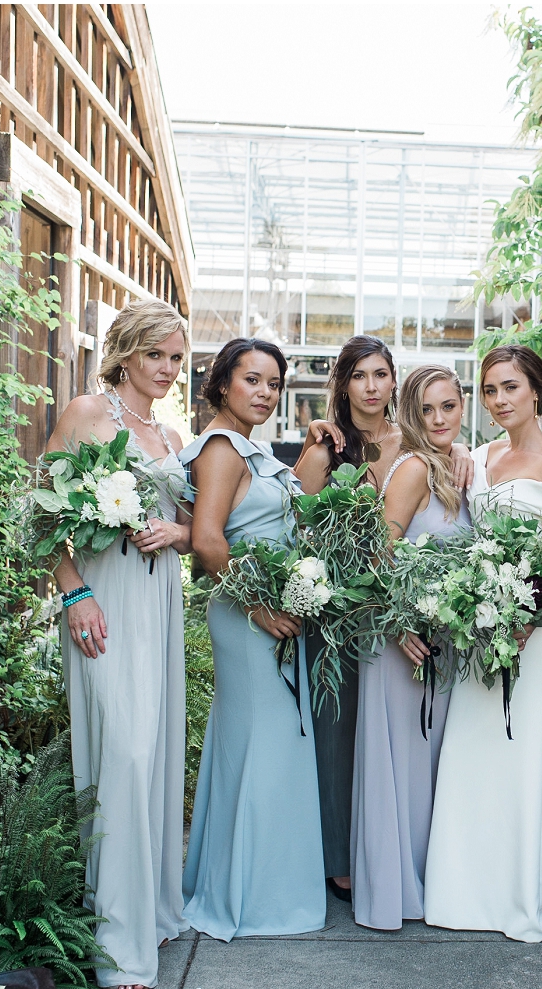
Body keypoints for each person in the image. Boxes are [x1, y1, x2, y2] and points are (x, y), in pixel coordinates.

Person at [291, 335, 474, 902]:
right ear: (343, 384)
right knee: (338, 733)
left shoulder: (414, 441)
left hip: (398, 603)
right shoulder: (328, 449)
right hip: (342, 607)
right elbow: (295, 525)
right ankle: (340, 857)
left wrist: (465, 451)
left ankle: (394, 850)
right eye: (359, 376)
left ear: (394, 381)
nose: (371, 387)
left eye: (380, 374)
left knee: (388, 738)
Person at [47, 298, 192, 989]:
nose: (166, 369)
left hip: (160, 600)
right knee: (125, 755)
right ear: (126, 351)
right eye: (157, 354)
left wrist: (179, 535)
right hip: (104, 602)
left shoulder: (166, 433)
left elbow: (194, 526)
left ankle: (152, 910)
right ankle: (117, 943)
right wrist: (74, 592)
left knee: (155, 752)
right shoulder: (85, 414)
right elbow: (38, 515)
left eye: (175, 359)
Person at [423, 344, 542, 943]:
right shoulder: (479, 455)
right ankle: (462, 887)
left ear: (536, 390)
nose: (499, 400)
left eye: (510, 387)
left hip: (535, 621)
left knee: (520, 733)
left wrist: (527, 616)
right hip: (480, 615)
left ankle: (521, 883)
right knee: (470, 736)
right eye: (489, 390)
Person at [179, 339, 326, 940]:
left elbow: (279, 508)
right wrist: (262, 609)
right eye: (252, 381)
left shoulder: (247, 447)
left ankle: (259, 883)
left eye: (273, 383)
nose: (264, 393)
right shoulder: (219, 448)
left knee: (271, 750)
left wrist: (316, 447)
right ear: (221, 385)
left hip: (268, 609)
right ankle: (253, 896)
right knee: (264, 750)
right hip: (248, 616)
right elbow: (209, 540)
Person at [350, 365, 472, 931]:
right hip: (402, 640)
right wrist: (399, 624)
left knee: (429, 760)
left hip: (440, 638)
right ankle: (397, 889)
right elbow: (379, 550)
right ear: (411, 416)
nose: (439, 419)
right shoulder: (416, 467)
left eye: (449, 407)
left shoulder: (454, 465)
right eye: (427, 410)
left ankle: (427, 879)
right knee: (402, 760)